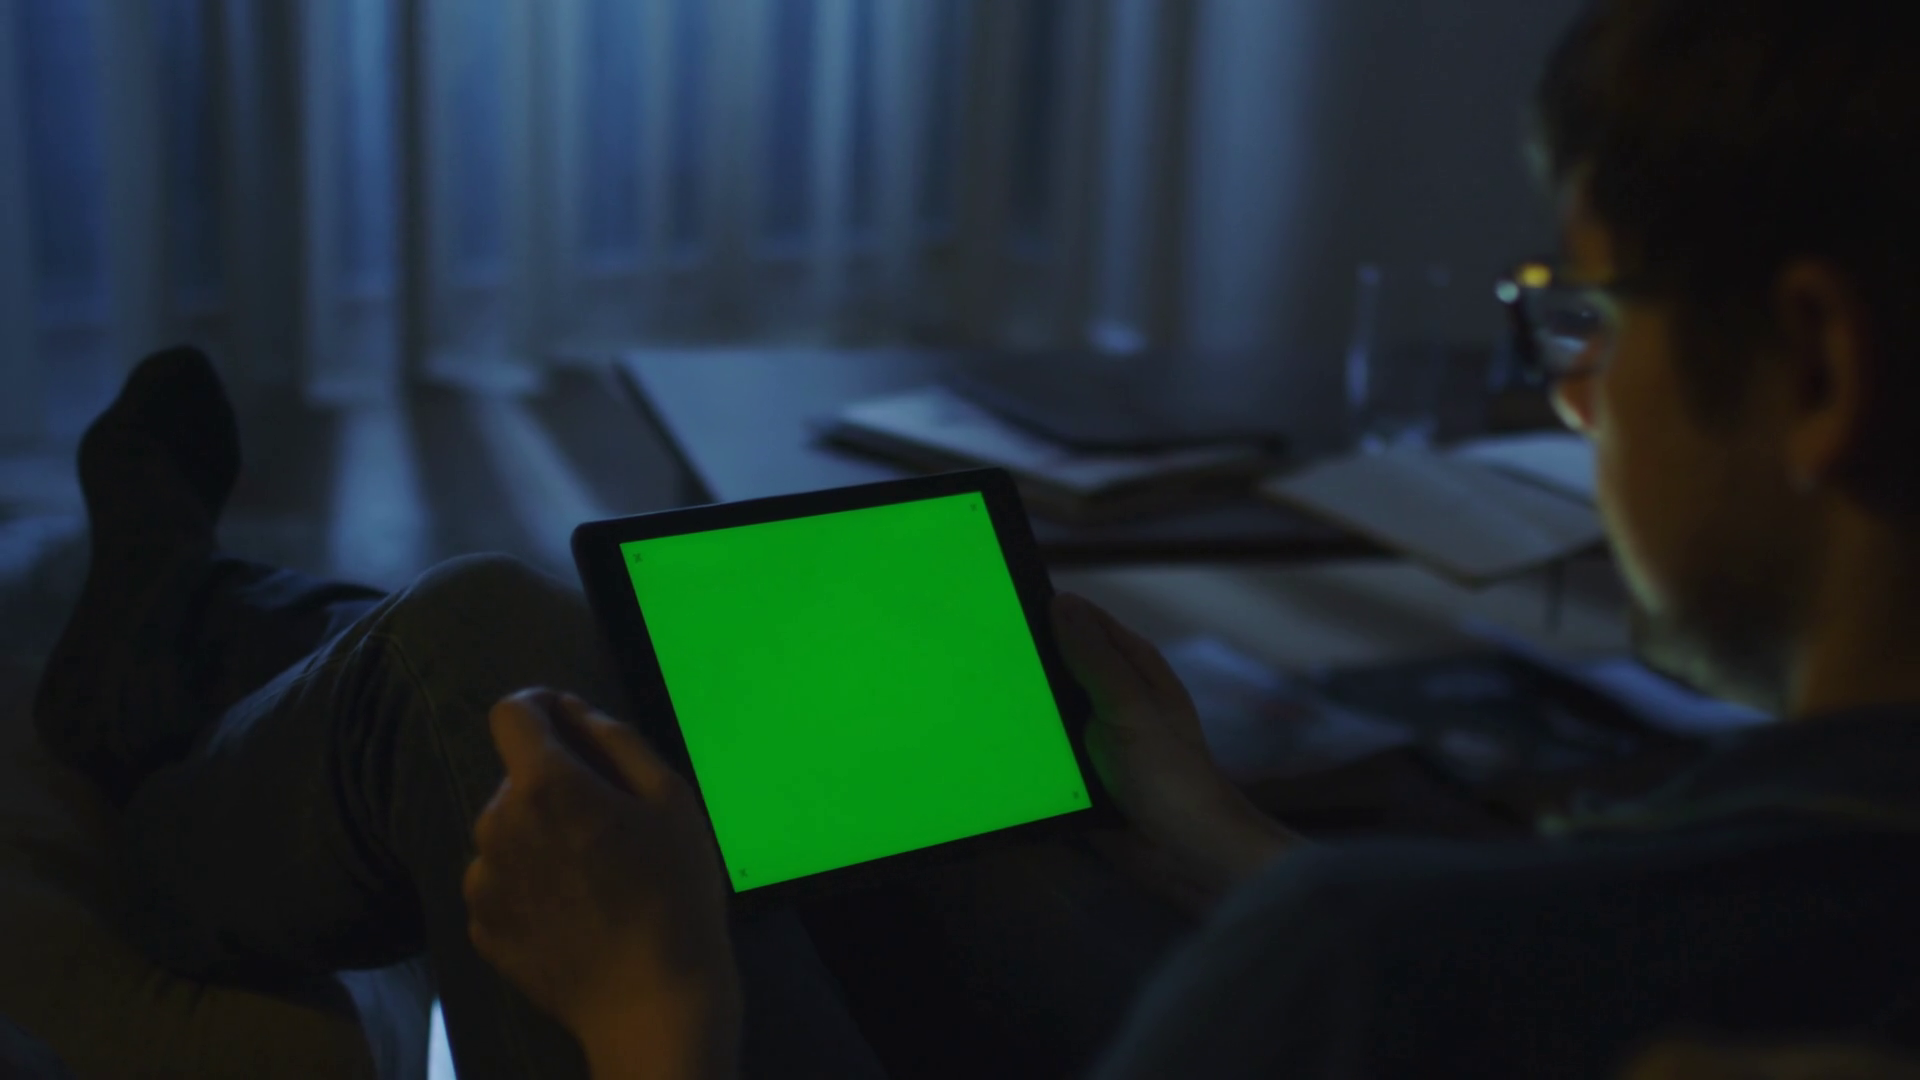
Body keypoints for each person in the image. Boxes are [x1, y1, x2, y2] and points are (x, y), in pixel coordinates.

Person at [24, 0, 1920, 1077]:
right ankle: (207, 629)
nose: (1572, 396)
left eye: (1586, 320)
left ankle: (163, 694)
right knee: (693, 720)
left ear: (1817, 364)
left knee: (489, 652)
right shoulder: (1727, 912)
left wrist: (655, 1016)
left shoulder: (1362, 967)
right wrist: (1216, 835)